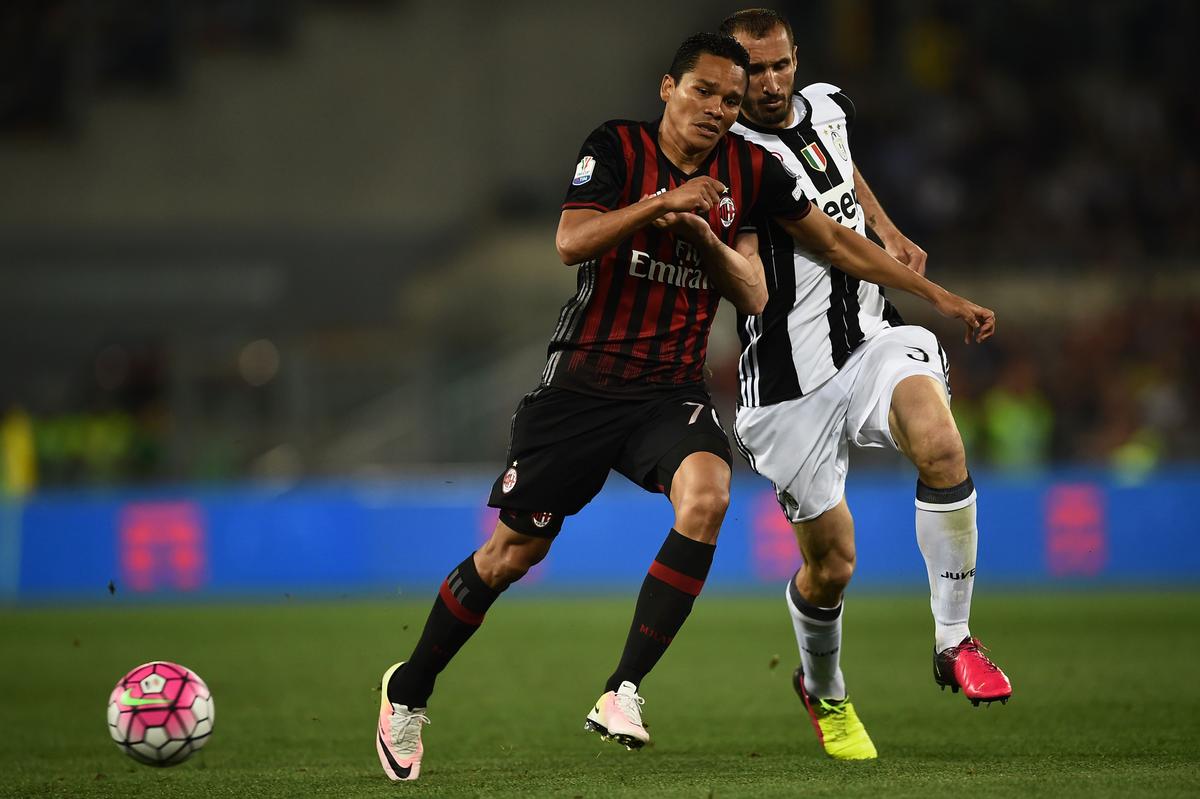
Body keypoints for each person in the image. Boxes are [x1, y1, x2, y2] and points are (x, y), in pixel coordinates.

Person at [375, 31, 993, 783]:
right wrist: (661, 204)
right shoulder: (617, 147)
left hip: (669, 389)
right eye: (706, 91)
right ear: (669, 89)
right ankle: (407, 691)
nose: (718, 108)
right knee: (512, 555)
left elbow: (762, 288)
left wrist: (704, 234)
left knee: (708, 494)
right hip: (582, 385)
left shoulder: (749, 169)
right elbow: (572, 241)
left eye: (730, 99)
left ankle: (622, 688)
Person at [718, 8, 1012, 762]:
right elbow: (833, 243)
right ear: (730, 75)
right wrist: (940, 294)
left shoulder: (829, 103)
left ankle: (955, 639)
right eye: (755, 70)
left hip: (872, 342)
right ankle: (824, 689)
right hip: (789, 387)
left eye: (782, 63)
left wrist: (888, 226)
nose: (773, 82)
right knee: (832, 565)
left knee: (941, 443)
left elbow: (842, 170)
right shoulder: (735, 160)